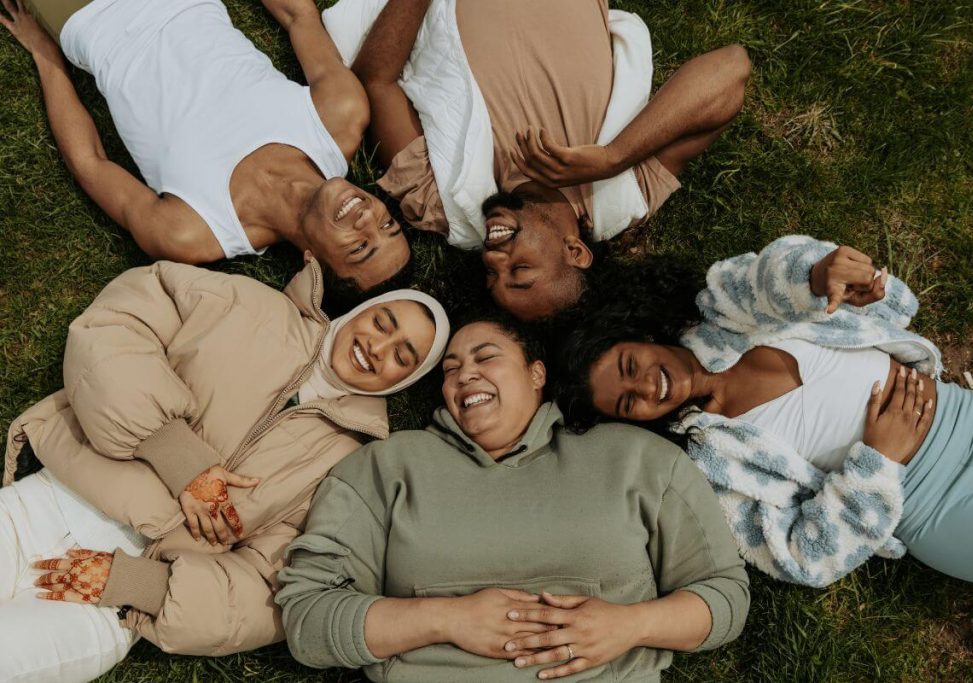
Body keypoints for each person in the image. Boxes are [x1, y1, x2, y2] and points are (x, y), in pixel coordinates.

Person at [0, 256, 449, 682]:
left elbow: (276, 581)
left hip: (106, 604)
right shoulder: (246, 305)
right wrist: (177, 456)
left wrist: (143, 586)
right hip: (45, 506)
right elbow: (118, 324)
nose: (378, 345)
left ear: (405, 380)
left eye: (403, 355)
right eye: (381, 322)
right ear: (363, 310)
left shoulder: (354, 464)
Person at [276, 317, 749, 682]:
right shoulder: (384, 467)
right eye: (451, 369)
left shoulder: (639, 459)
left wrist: (631, 626)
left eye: (486, 358)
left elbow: (724, 595)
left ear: (536, 372)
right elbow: (307, 620)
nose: (466, 375)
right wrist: (446, 618)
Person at [554, 234, 973, 589]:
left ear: (640, 337)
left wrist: (817, 276)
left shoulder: (726, 313)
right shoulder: (710, 467)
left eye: (629, 366)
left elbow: (771, 276)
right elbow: (803, 557)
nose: (644, 386)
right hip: (936, 508)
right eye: (626, 402)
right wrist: (880, 461)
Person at [332, 0, 750, 320]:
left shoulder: (441, 202)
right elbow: (731, 69)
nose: (493, 258)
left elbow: (376, 81)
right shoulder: (624, 193)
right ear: (575, 252)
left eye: (493, 276)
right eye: (520, 269)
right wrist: (613, 157)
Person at [0, 0, 411, 293]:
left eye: (360, 248)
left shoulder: (192, 231)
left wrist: (44, 54)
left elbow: (90, 162)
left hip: (87, 16)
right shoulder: (339, 116)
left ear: (313, 265)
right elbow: (298, 15)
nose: (367, 220)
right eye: (387, 225)